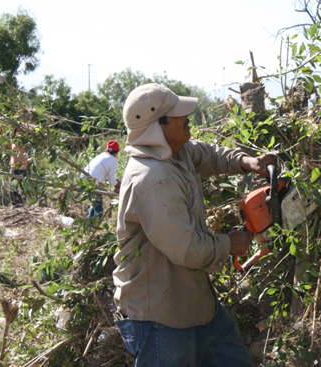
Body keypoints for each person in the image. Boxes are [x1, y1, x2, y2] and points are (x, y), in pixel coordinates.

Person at [113, 83, 276, 367]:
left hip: (196, 305)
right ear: (158, 126)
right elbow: (187, 248)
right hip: (161, 317)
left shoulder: (177, 151)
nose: (186, 117)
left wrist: (250, 162)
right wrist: (229, 243)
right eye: (177, 115)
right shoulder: (152, 179)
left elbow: (209, 155)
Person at [81, 140, 121, 218]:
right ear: (116, 152)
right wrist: (119, 185)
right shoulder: (113, 160)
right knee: (99, 210)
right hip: (92, 180)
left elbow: (105, 174)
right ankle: (94, 227)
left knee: (95, 204)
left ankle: (90, 225)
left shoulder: (102, 155)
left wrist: (116, 181)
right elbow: (112, 181)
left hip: (83, 177)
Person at [9, 131, 29, 206]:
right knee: (13, 188)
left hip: (24, 167)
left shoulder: (27, 142)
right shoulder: (13, 140)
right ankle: (14, 204)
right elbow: (10, 149)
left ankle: (22, 204)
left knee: (23, 188)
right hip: (14, 167)